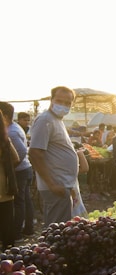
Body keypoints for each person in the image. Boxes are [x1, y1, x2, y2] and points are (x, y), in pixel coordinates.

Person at [29, 86, 79, 226]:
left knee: (61, 228)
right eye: (59, 101)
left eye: (67, 103)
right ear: (51, 100)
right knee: (56, 230)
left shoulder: (57, 120)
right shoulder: (45, 120)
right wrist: (52, 185)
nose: (63, 105)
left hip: (62, 185)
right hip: (55, 186)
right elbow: (35, 153)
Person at [2, 102, 35, 237]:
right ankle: (28, 229)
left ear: (3, 115)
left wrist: (10, 169)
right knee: (26, 200)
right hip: (25, 169)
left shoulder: (12, 132)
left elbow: (21, 152)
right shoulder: (14, 127)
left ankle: (16, 233)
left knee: (19, 202)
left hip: (20, 171)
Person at [0, 107, 20, 250]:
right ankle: (8, 255)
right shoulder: (5, 140)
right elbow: (16, 158)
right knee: (7, 222)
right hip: (5, 187)